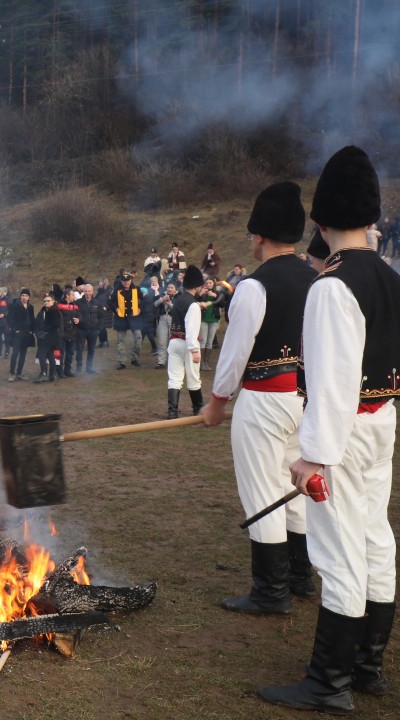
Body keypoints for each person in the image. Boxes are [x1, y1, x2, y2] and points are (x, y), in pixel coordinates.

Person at [258, 147, 399, 714]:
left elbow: (335, 382)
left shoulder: (333, 286)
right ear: (371, 217)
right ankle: (367, 665)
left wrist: (313, 456)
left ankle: (329, 681)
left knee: (341, 548)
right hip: (381, 423)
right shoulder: (391, 278)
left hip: (342, 435)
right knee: (375, 539)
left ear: (320, 222)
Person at [200, 181, 318, 618]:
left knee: (263, 491)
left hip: (265, 399)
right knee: (295, 487)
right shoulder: (319, 279)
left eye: (252, 235)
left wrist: (217, 401)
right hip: (305, 400)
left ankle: (271, 592)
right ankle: (301, 576)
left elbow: (235, 353)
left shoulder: (254, 286)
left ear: (261, 237)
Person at [165, 265, 205, 418]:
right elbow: (191, 331)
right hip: (187, 345)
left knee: (174, 378)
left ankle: (172, 412)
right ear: (196, 286)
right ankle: (198, 410)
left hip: (174, 343)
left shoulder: (179, 299)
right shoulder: (193, 305)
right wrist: (195, 350)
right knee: (194, 379)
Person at [110, 273, 145, 369]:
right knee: (120, 340)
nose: (126, 282)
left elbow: (144, 300)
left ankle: (135, 358)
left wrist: (140, 309)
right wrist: (115, 309)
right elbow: (110, 301)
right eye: (124, 281)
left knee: (138, 338)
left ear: (131, 280)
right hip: (121, 317)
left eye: (128, 280)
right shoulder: (117, 290)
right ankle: (122, 362)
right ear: (121, 281)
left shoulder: (136, 289)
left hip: (134, 316)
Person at [32, 294, 62, 383]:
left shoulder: (55, 311)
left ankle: (43, 374)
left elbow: (56, 324)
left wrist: (44, 330)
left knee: (42, 354)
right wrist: (38, 332)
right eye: (45, 301)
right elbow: (37, 322)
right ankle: (53, 374)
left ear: (53, 301)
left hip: (50, 337)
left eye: (48, 301)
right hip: (47, 337)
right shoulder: (43, 311)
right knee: (50, 355)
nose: (46, 302)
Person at [7, 288, 35, 381]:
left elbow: (32, 319)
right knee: (15, 353)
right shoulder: (14, 305)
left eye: (26, 295)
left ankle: (19, 373)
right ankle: (12, 373)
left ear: (29, 297)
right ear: (20, 296)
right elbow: (10, 319)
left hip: (27, 333)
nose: (24, 297)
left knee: (23, 354)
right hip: (17, 333)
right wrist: (15, 329)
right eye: (23, 295)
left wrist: (32, 330)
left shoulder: (31, 307)